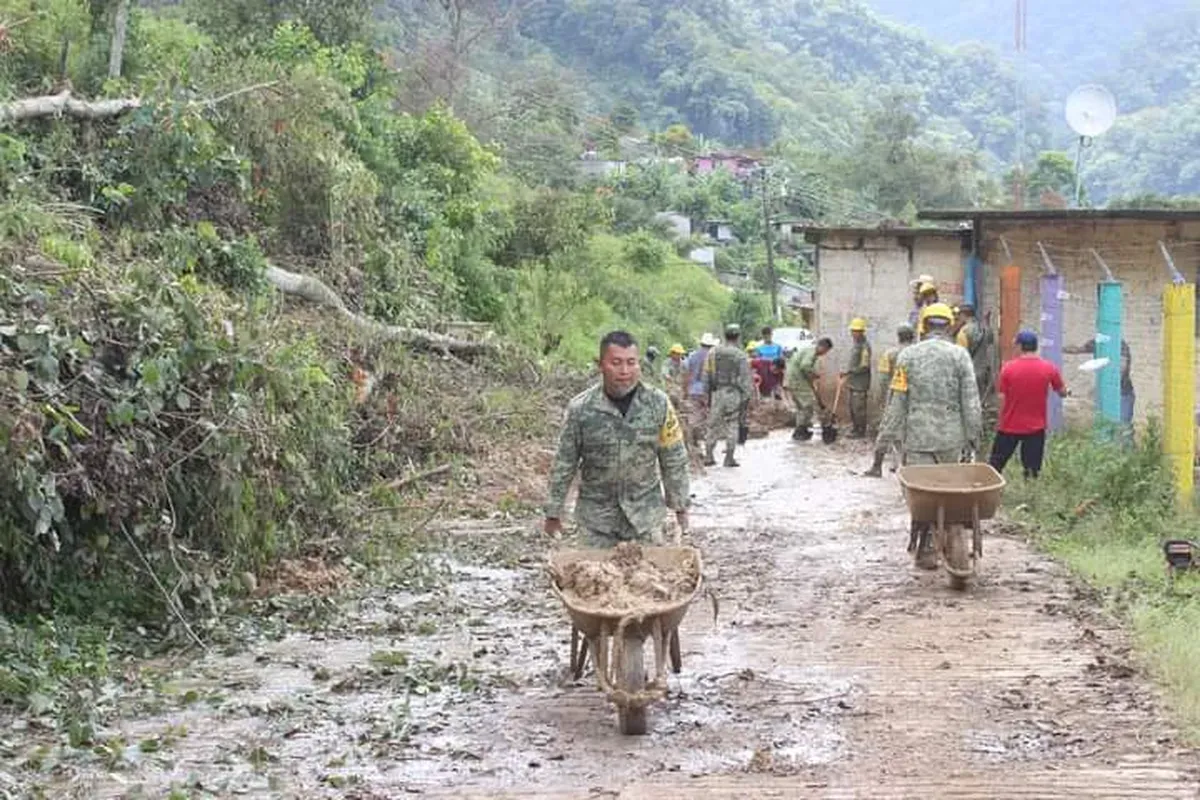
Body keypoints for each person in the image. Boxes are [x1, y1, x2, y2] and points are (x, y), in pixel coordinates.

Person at [544, 331, 690, 547]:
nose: (625, 371)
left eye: (631, 363)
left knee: (647, 578)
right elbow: (565, 462)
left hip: (644, 518)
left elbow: (673, 457)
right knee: (595, 578)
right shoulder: (581, 409)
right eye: (616, 363)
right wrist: (553, 511)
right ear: (601, 365)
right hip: (596, 522)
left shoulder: (658, 404)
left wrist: (680, 507)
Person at [875, 303, 981, 569]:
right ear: (948, 326)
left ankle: (926, 545)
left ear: (923, 326)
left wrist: (883, 442)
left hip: (919, 439)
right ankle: (943, 537)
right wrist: (973, 437)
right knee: (948, 489)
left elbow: (897, 402)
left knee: (923, 494)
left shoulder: (907, 357)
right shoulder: (960, 356)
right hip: (951, 439)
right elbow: (971, 401)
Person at [988, 329, 1067, 479]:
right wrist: (1066, 391)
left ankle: (989, 493)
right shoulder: (1049, 368)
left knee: (995, 466)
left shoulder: (1008, 369)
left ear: (1019, 346)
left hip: (1009, 426)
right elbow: (1062, 391)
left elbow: (1001, 398)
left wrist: (999, 418)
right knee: (1032, 471)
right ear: (1035, 346)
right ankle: (1030, 498)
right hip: (1035, 427)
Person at [862, 324, 915, 476]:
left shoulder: (890, 354)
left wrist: (879, 401)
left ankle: (877, 467)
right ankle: (904, 467)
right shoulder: (918, 353)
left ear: (898, 336)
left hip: (896, 398)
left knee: (886, 431)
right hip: (915, 400)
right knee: (909, 433)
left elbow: (883, 380)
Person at [704, 323, 752, 467]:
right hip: (733, 393)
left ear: (725, 335)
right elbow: (745, 380)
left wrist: (708, 394)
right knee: (732, 424)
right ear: (737, 337)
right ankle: (729, 458)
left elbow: (707, 374)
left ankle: (709, 456)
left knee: (713, 424)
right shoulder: (740, 355)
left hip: (717, 392)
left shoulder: (713, 352)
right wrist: (746, 399)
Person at [1065, 336, 1134, 425]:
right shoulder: (1098, 341)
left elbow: (1121, 369)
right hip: (1105, 393)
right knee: (1103, 424)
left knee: (1123, 426)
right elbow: (1078, 349)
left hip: (1123, 393)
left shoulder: (1120, 344)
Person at [784, 336, 833, 441]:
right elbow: (805, 366)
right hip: (798, 381)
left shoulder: (808, 351)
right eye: (826, 351)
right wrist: (814, 375)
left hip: (794, 380)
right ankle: (806, 429)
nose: (825, 354)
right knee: (809, 405)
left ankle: (800, 431)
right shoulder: (812, 352)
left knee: (801, 408)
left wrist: (811, 379)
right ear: (822, 347)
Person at [682, 333, 717, 449]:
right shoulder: (713, 357)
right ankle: (707, 442)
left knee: (694, 416)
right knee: (708, 415)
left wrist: (685, 391)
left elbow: (687, 374)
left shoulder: (692, 356)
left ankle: (694, 442)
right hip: (708, 391)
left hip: (693, 391)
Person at [840, 318, 872, 438]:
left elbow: (865, 366)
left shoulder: (865, 347)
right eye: (852, 331)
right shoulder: (856, 345)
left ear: (862, 332)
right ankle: (855, 429)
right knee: (852, 407)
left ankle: (860, 431)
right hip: (853, 382)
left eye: (856, 331)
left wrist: (849, 371)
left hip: (860, 384)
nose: (853, 333)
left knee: (859, 408)